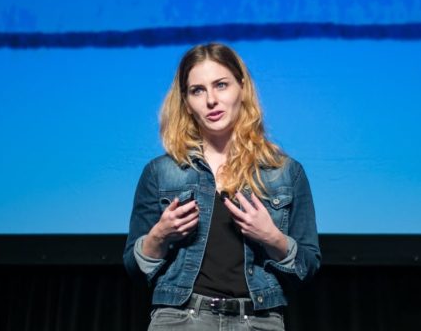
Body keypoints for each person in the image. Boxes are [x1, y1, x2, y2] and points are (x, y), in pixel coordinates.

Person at [123, 42, 321, 330]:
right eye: (198, 90)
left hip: (258, 321)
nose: (211, 100)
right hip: (180, 320)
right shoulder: (160, 173)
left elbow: (308, 267)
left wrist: (271, 237)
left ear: (242, 88)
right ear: (186, 103)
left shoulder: (285, 173)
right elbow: (135, 269)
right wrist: (159, 236)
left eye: (221, 85)